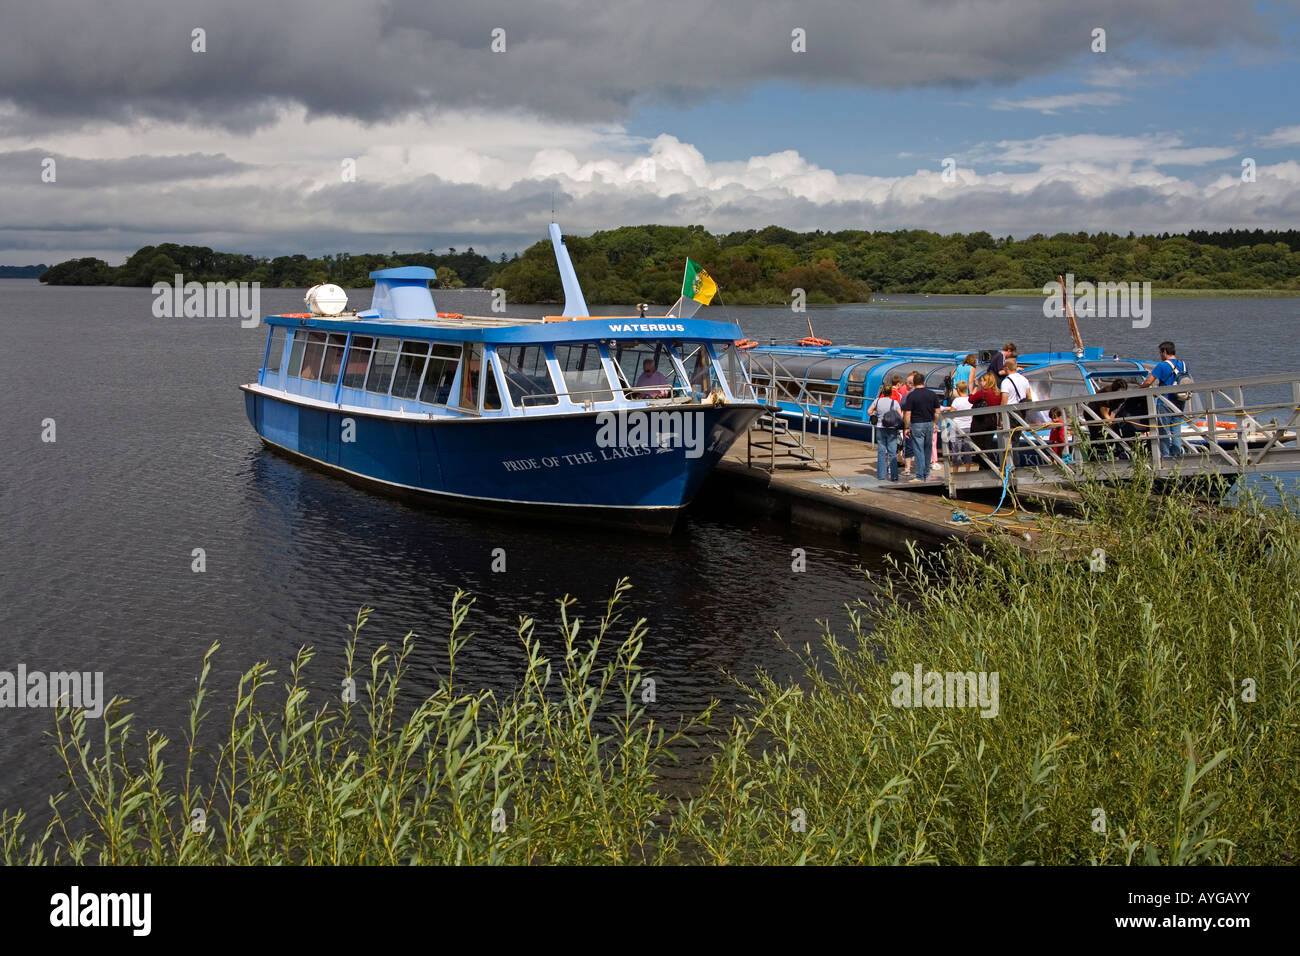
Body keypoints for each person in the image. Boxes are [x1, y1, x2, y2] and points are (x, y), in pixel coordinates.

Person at [1139, 340, 1187, 459]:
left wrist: (1140, 388)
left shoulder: (1162, 365)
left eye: (1160, 353)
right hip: (1180, 401)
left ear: (1164, 352)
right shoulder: (1183, 364)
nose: (1160, 356)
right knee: (1176, 430)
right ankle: (1176, 455)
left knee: (1163, 430)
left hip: (1165, 401)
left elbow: (1149, 381)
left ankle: (1165, 456)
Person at [901, 371, 942, 483]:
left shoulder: (911, 395)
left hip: (917, 425)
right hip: (929, 424)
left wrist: (907, 427)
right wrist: (935, 423)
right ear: (924, 381)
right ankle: (926, 474)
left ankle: (919, 476)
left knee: (918, 450)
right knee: (928, 449)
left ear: (914, 382)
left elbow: (908, 413)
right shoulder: (932, 394)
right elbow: (937, 412)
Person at [968, 371, 1004, 469]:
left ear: (987, 382)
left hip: (981, 420)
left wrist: (975, 387)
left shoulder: (983, 392)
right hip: (992, 420)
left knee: (978, 444)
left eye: (982, 381)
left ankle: (985, 466)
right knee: (987, 444)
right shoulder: (998, 393)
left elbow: (970, 399)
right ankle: (986, 467)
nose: (980, 383)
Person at [868, 383, 904, 481]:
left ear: (883, 392)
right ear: (890, 392)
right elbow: (900, 416)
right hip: (892, 428)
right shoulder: (895, 402)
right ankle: (894, 476)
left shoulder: (877, 401)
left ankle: (881, 475)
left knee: (881, 451)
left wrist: (876, 414)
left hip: (880, 428)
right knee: (892, 452)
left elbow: (869, 411)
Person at [945, 379, 976, 469]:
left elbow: (951, 413)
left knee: (956, 450)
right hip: (968, 426)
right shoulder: (970, 400)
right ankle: (968, 469)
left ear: (958, 389)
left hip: (957, 427)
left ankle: (956, 470)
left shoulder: (956, 401)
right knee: (968, 449)